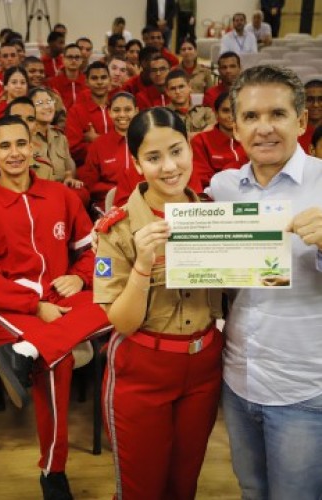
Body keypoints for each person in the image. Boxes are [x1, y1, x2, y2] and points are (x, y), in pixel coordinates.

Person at [0, 115, 111, 499]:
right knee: (59, 362)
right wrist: (34, 305)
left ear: (34, 148)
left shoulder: (61, 195)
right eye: (4, 146)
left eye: (21, 144)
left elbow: (92, 250)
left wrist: (81, 277)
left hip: (61, 296)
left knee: (118, 301)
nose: (14, 153)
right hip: (5, 306)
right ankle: (52, 471)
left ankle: (27, 350)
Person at [94, 107, 224, 500]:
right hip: (142, 369)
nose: (169, 167)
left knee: (184, 486)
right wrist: (143, 266)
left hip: (203, 366)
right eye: (153, 157)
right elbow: (122, 322)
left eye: (177, 151)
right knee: (141, 489)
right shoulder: (116, 227)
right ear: (136, 163)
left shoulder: (214, 216)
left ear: (190, 149)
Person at [206, 64, 322, 500]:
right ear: (234, 127)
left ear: (302, 121)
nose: (265, 128)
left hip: (306, 389)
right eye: (251, 117)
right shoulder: (223, 189)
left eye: (277, 114)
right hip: (239, 380)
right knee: (252, 490)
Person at [0, 96, 54, 196]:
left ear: (35, 127)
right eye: (17, 118)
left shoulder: (45, 168)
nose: (24, 123)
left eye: (30, 119)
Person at [81, 92, 137, 212]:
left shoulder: (146, 141)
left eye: (128, 110)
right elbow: (90, 184)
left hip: (143, 203)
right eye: (116, 110)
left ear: (136, 111)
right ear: (109, 112)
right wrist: (118, 190)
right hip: (109, 207)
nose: (122, 115)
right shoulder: (98, 145)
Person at [29, 87, 86, 202]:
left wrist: (69, 178)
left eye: (49, 102)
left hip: (60, 189)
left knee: (82, 194)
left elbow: (69, 169)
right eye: (40, 103)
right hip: (37, 192)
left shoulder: (60, 137)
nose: (47, 106)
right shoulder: (26, 137)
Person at [191, 91, 248, 189]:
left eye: (235, 111)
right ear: (216, 114)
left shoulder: (252, 139)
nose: (231, 116)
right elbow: (201, 179)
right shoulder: (201, 141)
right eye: (226, 111)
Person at [66, 61, 114, 167]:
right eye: (94, 78)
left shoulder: (119, 108)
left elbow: (127, 141)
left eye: (103, 77)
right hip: (89, 169)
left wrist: (97, 140)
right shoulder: (76, 111)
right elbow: (74, 149)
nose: (99, 82)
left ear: (110, 80)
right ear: (86, 82)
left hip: (121, 166)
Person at [0, 66, 29, 146]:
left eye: (23, 83)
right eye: (14, 82)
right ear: (5, 86)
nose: (19, 86)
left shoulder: (33, 110)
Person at [165, 68, 215, 136]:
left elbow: (213, 133)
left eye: (181, 87)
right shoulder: (163, 115)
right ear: (167, 92)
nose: (177, 92)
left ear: (189, 87)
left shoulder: (205, 112)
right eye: (173, 88)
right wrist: (201, 134)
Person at [48, 44, 86, 111]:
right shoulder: (52, 83)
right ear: (63, 59)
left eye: (77, 57)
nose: (73, 60)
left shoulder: (88, 82)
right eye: (70, 57)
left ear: (81, 60)